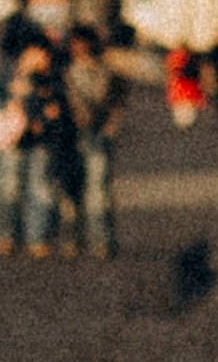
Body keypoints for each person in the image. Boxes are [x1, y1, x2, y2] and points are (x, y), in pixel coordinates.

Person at [1, 41, 74, 257]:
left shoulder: (52, 79)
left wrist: (44, 115)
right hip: (12, 141)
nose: (43, 59)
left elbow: (59, 109)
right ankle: (6, 236)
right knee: (8, 188)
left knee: (41, 188)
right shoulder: (9, 77)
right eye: (38, 54)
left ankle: (38, 238)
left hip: (41, 142)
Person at [61, 27, 125, 258]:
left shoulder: (107, 73)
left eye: (84, 43)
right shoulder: (64, 74)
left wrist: (111, 127)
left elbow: (117, 104)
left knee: (99, 189)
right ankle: (71, 240)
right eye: (76, 44)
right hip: (71, 138)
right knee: (71, 190)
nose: (81, 49)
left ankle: (102, 241)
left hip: (98, 136)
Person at [165, 43, 205, 130]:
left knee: (181, 104)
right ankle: (186, 122)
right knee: (188, 105)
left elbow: (171, 69)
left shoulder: (174, 55)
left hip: (180, 84)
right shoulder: (191, 57)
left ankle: (182, 122)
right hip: (189, 85)